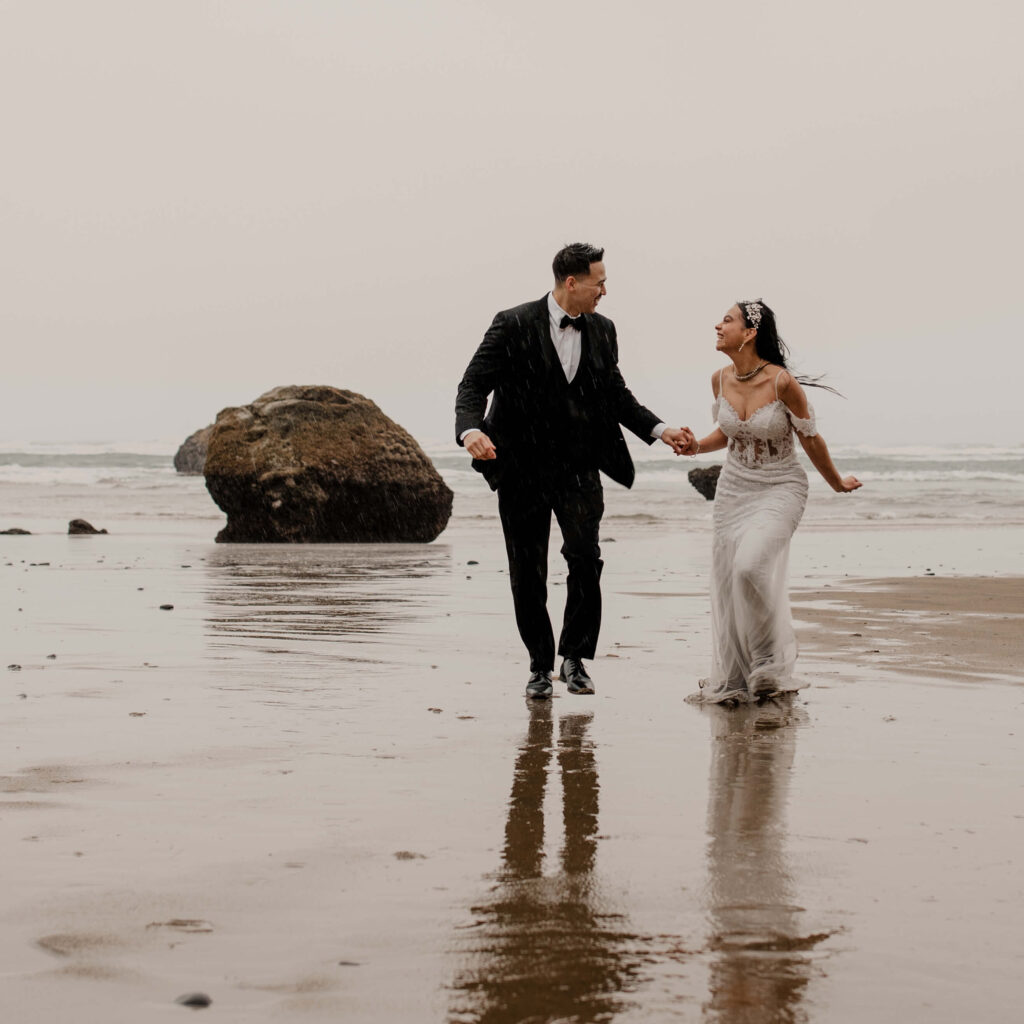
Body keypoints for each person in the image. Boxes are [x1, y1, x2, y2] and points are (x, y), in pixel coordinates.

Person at [455, 243, 692, 699]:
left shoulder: (603, 330)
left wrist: (660, 430)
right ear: (572, 282)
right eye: (598, 282)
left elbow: (616, 395)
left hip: (580, 467)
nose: (604, 291)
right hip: (521, 469)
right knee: (528, 570)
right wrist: (469, 431)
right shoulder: (512, 322)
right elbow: (473, 385)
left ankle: (575, 658)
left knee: (585, 558)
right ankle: (540, 666)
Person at [680, 300, 861, 704]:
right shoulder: (720, 379)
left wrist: (836, 483)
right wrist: (695, 447)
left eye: (727, 320)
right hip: (732, 489)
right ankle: (739, 676)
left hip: (781, 487)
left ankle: (767, 663)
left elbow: (810, 438)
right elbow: (727, 435)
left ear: (749, 333)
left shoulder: (782, 383)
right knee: (729, 581)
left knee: (748, 567)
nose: (718, 325)